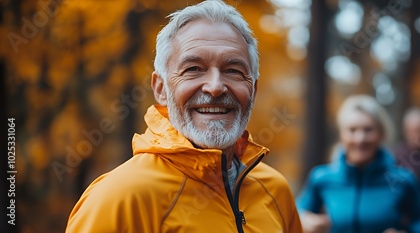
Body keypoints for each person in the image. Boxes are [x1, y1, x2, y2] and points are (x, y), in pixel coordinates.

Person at [65, 1, 302, 232]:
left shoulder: (276, 191)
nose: (215, 87)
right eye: (193, 69)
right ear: (160, 89)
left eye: (233, 71)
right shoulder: (120, 199)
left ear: (253, 89)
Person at [296, 95, 420, 233]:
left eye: (368, 130)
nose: (360, 139)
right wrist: (304, 221)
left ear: (381, 133)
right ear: (342, 135)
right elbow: (296, 211)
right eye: (352, 130)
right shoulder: (321, 177)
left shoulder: (403, 179)